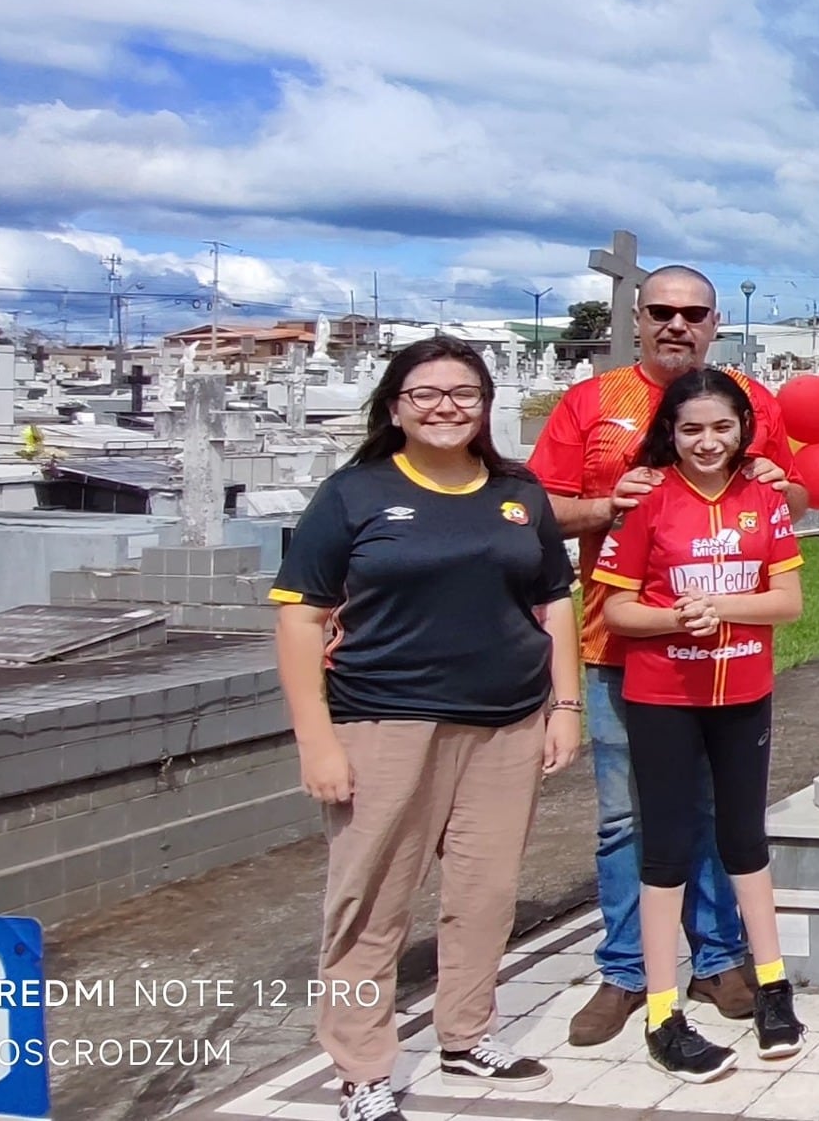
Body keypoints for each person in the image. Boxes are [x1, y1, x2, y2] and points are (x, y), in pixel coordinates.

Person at [271, 338, 582, 1121]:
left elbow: (556, 601)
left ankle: (466, 1032)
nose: (447, 406)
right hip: (385, 720)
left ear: (485, 404)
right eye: (426, 392)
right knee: (370, 901)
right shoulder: (355, 492)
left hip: (507, 722)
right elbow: (301, 615)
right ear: (395, 406)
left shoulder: (518, 491)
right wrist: (317, 739)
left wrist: (565, 706)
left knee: (485, 894)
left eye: (464, 392)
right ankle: (362, 1067)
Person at [528, 265, 799, 1046]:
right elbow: (536, 504)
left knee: (719, 817)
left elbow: (793, 500)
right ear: (638, 318)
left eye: (693, 313)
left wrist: (786, 484)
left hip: (725, 657)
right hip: (623, 650)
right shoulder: (591, 403)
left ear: (715, 322)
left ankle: (718, 957)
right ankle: (627, 974)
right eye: (661, 312)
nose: (676, 324)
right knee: (626, 819)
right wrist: (603, 505)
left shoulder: (750, 401)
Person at [594, 369, 807, 1081]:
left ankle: (772, 983)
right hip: (664, 694)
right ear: (671, 433)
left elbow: (788, 601)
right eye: (691, 429)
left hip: (743, 689)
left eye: (721, 427)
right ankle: (661, 1009)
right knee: (666, 848)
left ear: (743, 430)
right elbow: (617, 611)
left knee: (744, 838)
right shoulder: (649, 500)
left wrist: (726, 610)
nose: (707, 441)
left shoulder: (762, 500)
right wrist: (673, 618)